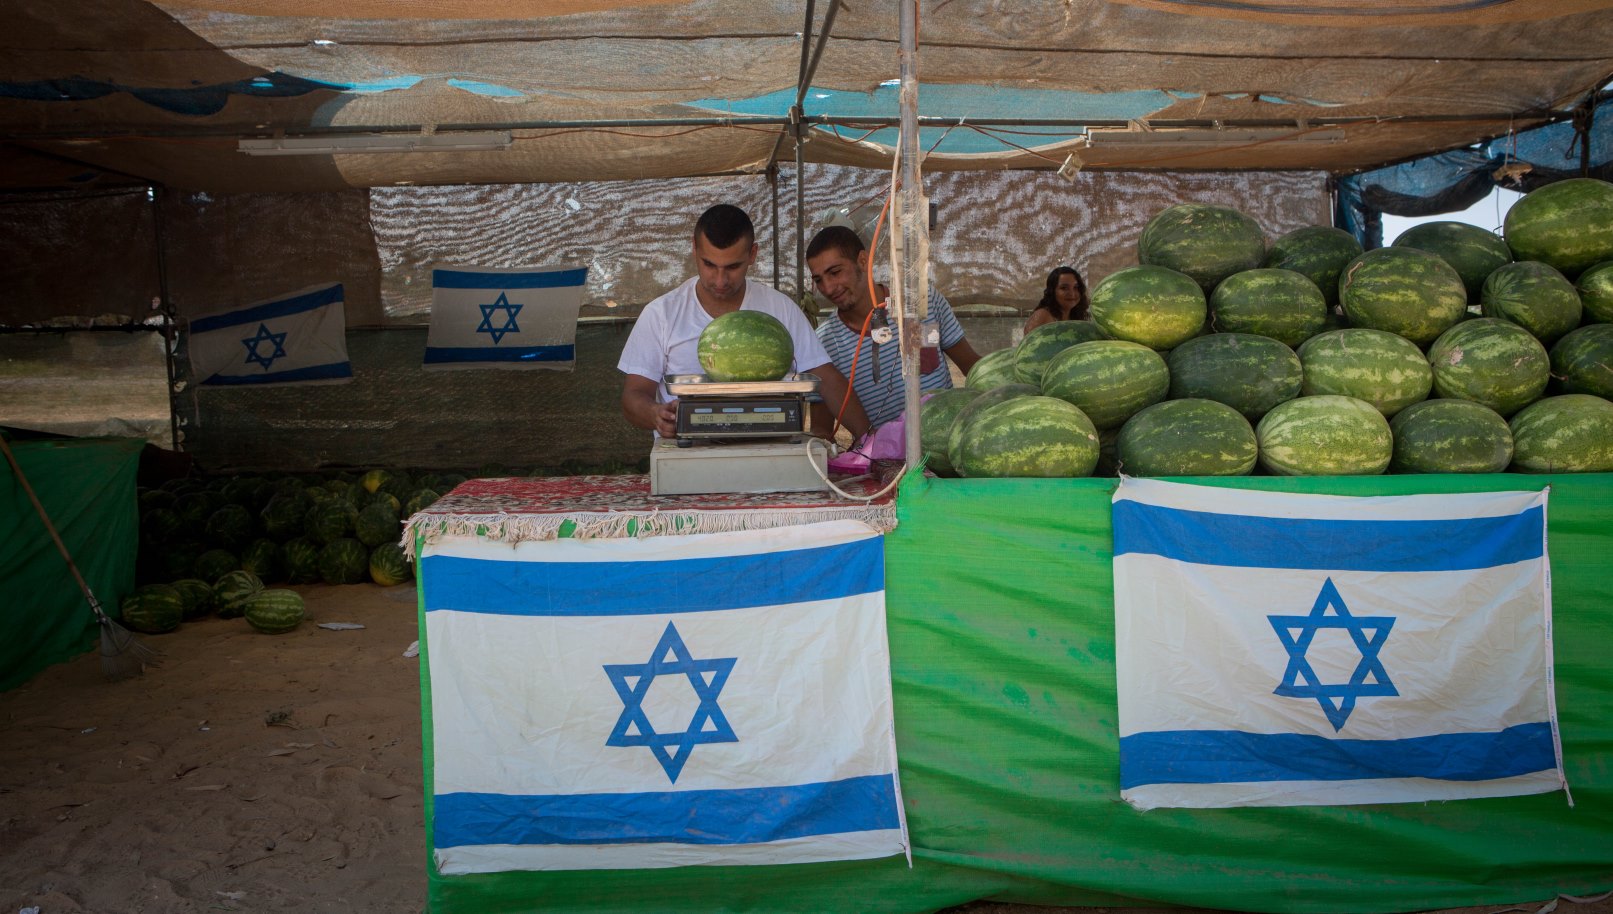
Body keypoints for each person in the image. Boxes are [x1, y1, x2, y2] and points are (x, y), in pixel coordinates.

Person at [619, 204, 869, 441]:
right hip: (684, 453)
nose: (719, 280)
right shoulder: (661, 314)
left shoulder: (779, 308)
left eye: (733, 267)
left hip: (771, 451)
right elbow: (634, 394)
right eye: (709, 264)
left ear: (752, 254)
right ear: (694, 248)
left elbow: (827, 378)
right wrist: (655, 414)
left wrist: (869, 440)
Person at [805, 225, 982, 432]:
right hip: (883, 461)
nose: (827, 288)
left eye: (835, 272)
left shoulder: (918, 304)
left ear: (863, 261)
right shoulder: (823, 344)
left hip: (945, 452)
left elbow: (974, 369)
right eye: (818, 280)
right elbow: (822, 432)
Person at [1022, 266, 1090, 335]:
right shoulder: (1042, 315)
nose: (1072, 293)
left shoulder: (1077, 317)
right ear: (1052, 291)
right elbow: (1028, 344)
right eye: (1064, 288)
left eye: (1076, 287)